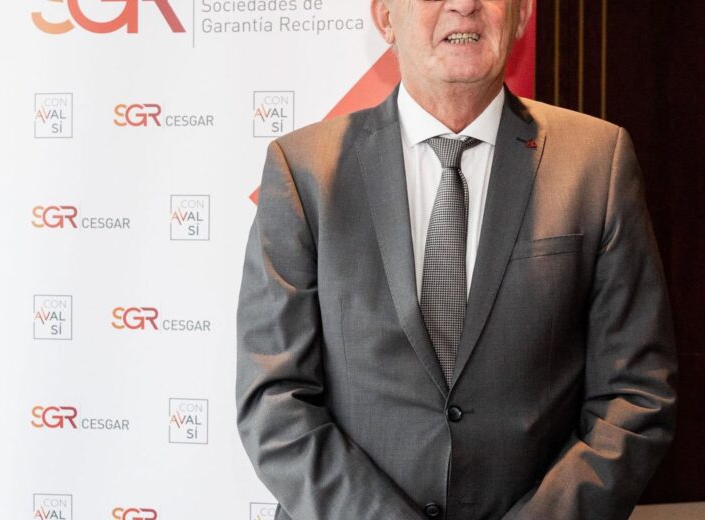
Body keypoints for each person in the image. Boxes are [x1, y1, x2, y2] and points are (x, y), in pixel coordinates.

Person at [235, 0, 677, 518]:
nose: (464, 5)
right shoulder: (304, 171)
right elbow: (274, 398)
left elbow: (635, 393)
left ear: (522, 15)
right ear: (385, 18)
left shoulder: (597, 162)